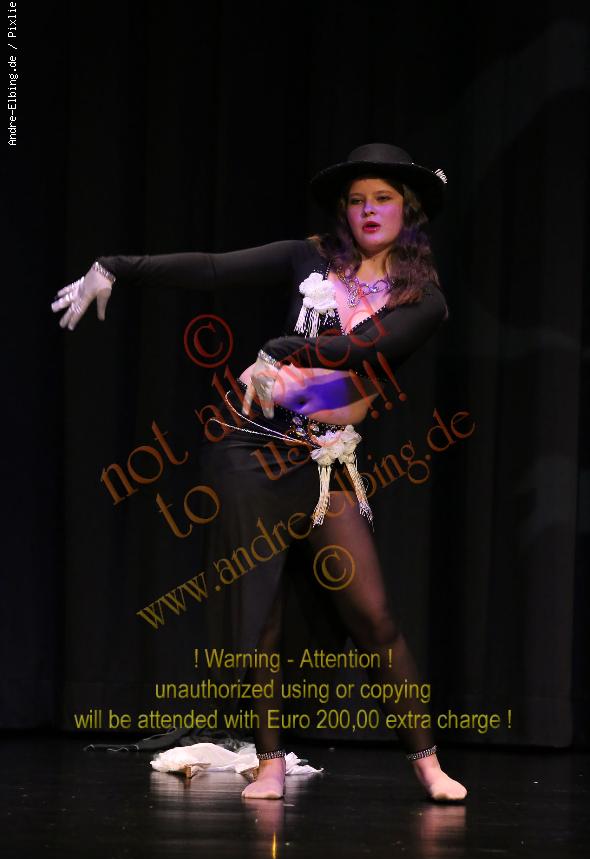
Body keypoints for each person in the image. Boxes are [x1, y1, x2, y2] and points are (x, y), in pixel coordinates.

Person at [52, 143, 467, 803]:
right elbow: (215, 268)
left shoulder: (424, 299)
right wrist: (116, 267)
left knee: (374, 615)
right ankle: (268, 761)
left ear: (408, 211)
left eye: (383, 199)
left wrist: (283, 352)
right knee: (260, 610)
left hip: (326, 459)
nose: (367, 210)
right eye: (356, 200)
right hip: (251, 445)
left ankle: (427, 763)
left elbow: (363, 360)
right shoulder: (309, 257)